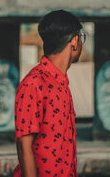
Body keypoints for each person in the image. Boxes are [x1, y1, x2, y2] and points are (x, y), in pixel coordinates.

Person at [13, 10, 85, 177]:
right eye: (82, 37)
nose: (81, 42)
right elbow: (24, 146)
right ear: (74, 40)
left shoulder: (61, 83)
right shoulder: (34, 84)